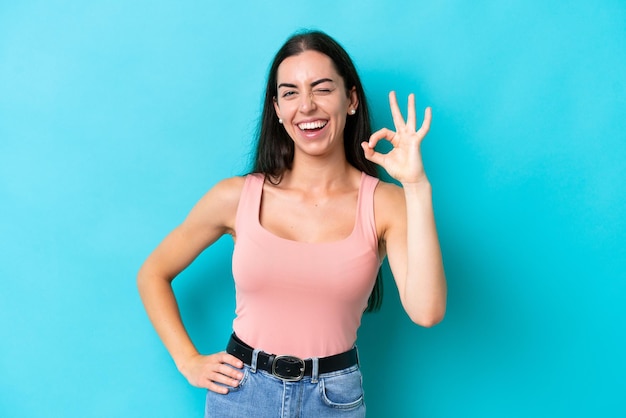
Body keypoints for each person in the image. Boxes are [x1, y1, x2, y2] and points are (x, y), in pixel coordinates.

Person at [137, 30, 447, 417]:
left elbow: (427, 311)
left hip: (334, 399)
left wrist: (416, 186)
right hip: (241, 394)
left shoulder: (385, 202)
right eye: (290, 93)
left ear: (350, 99)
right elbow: (152, 273)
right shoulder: (236, 197)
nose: (307, 106)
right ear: (278, 110)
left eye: (322, 89)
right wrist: (188, 361)